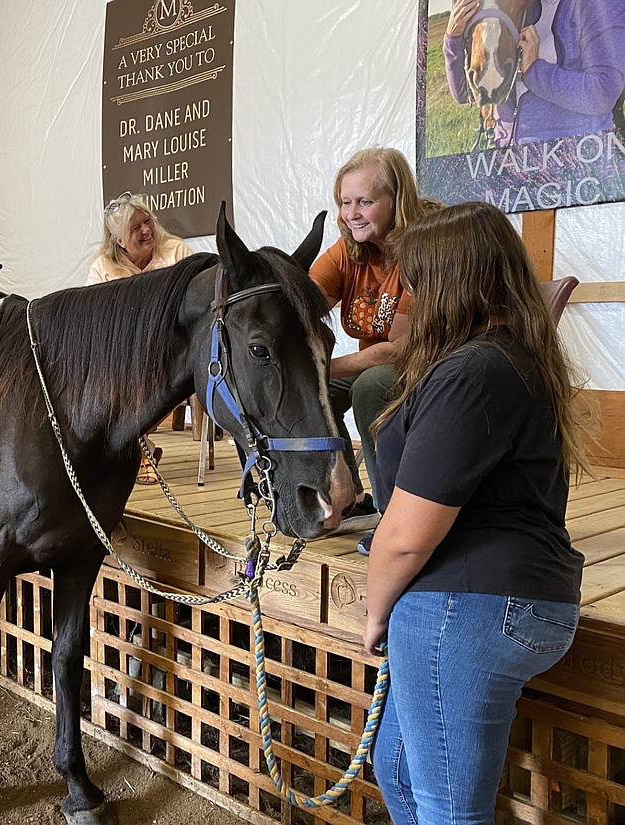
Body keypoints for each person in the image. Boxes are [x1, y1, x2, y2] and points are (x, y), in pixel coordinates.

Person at [363, 201, 589, 824]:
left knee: (447, 809)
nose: (409, 300)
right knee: (401, 772)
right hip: (508, 600)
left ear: (450, 283)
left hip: (467, 607)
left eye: (418, 282)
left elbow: (407, 537)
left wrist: (375, 611)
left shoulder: (473, 372)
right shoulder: (510, 358)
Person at [309, 148, 441, 544]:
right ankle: (345, 496)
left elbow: (399, 349)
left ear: (396, 200)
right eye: (345, 202)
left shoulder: (423, 248)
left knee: (371, 386)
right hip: (373, 364)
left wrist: (322, 367)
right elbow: (302, 301)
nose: (352, 213)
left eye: (365, 201)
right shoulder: (348, 248)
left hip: (430, 364)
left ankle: (393, 514)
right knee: (313, 393)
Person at [88, 192, 195, 483]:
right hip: (121, 354)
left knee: (152, 376)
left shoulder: (177, 253)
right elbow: (93, 320)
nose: (146, 230)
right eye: (135, 228)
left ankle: (135, 449)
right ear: (118, 239)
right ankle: (137, 447)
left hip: (172, 349)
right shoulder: (103, 267)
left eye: (147, 221)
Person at [444, 0, 625, 146]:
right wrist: (453, 39)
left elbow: (603, 93)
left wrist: (535, 71)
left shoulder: (600, 5)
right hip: (509, 165)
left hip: (573, 165)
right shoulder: (520, 7)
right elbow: (466, 94)